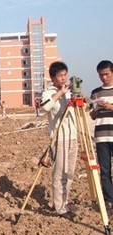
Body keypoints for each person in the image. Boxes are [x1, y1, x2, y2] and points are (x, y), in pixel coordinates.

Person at [41, 61, 78, 220]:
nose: (63, 78)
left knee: (69, 173)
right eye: (60, 75)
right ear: (53, 77)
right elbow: (45, 107)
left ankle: (65, 201)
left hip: (73, 137)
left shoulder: (69, 92)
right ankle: (59, 207)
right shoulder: (48, 93)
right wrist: (59, 94)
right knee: (59, 174)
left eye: (65, 75)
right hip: (59, 138)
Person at [89, 60, 113, 210]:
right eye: (101, 75)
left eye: (106, 74)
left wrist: (110, 107)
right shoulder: (95, 92)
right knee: (104, 171)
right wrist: (96, 108)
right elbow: (92, 116)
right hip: (101, 136)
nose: (104, 78)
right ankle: (109, 201)